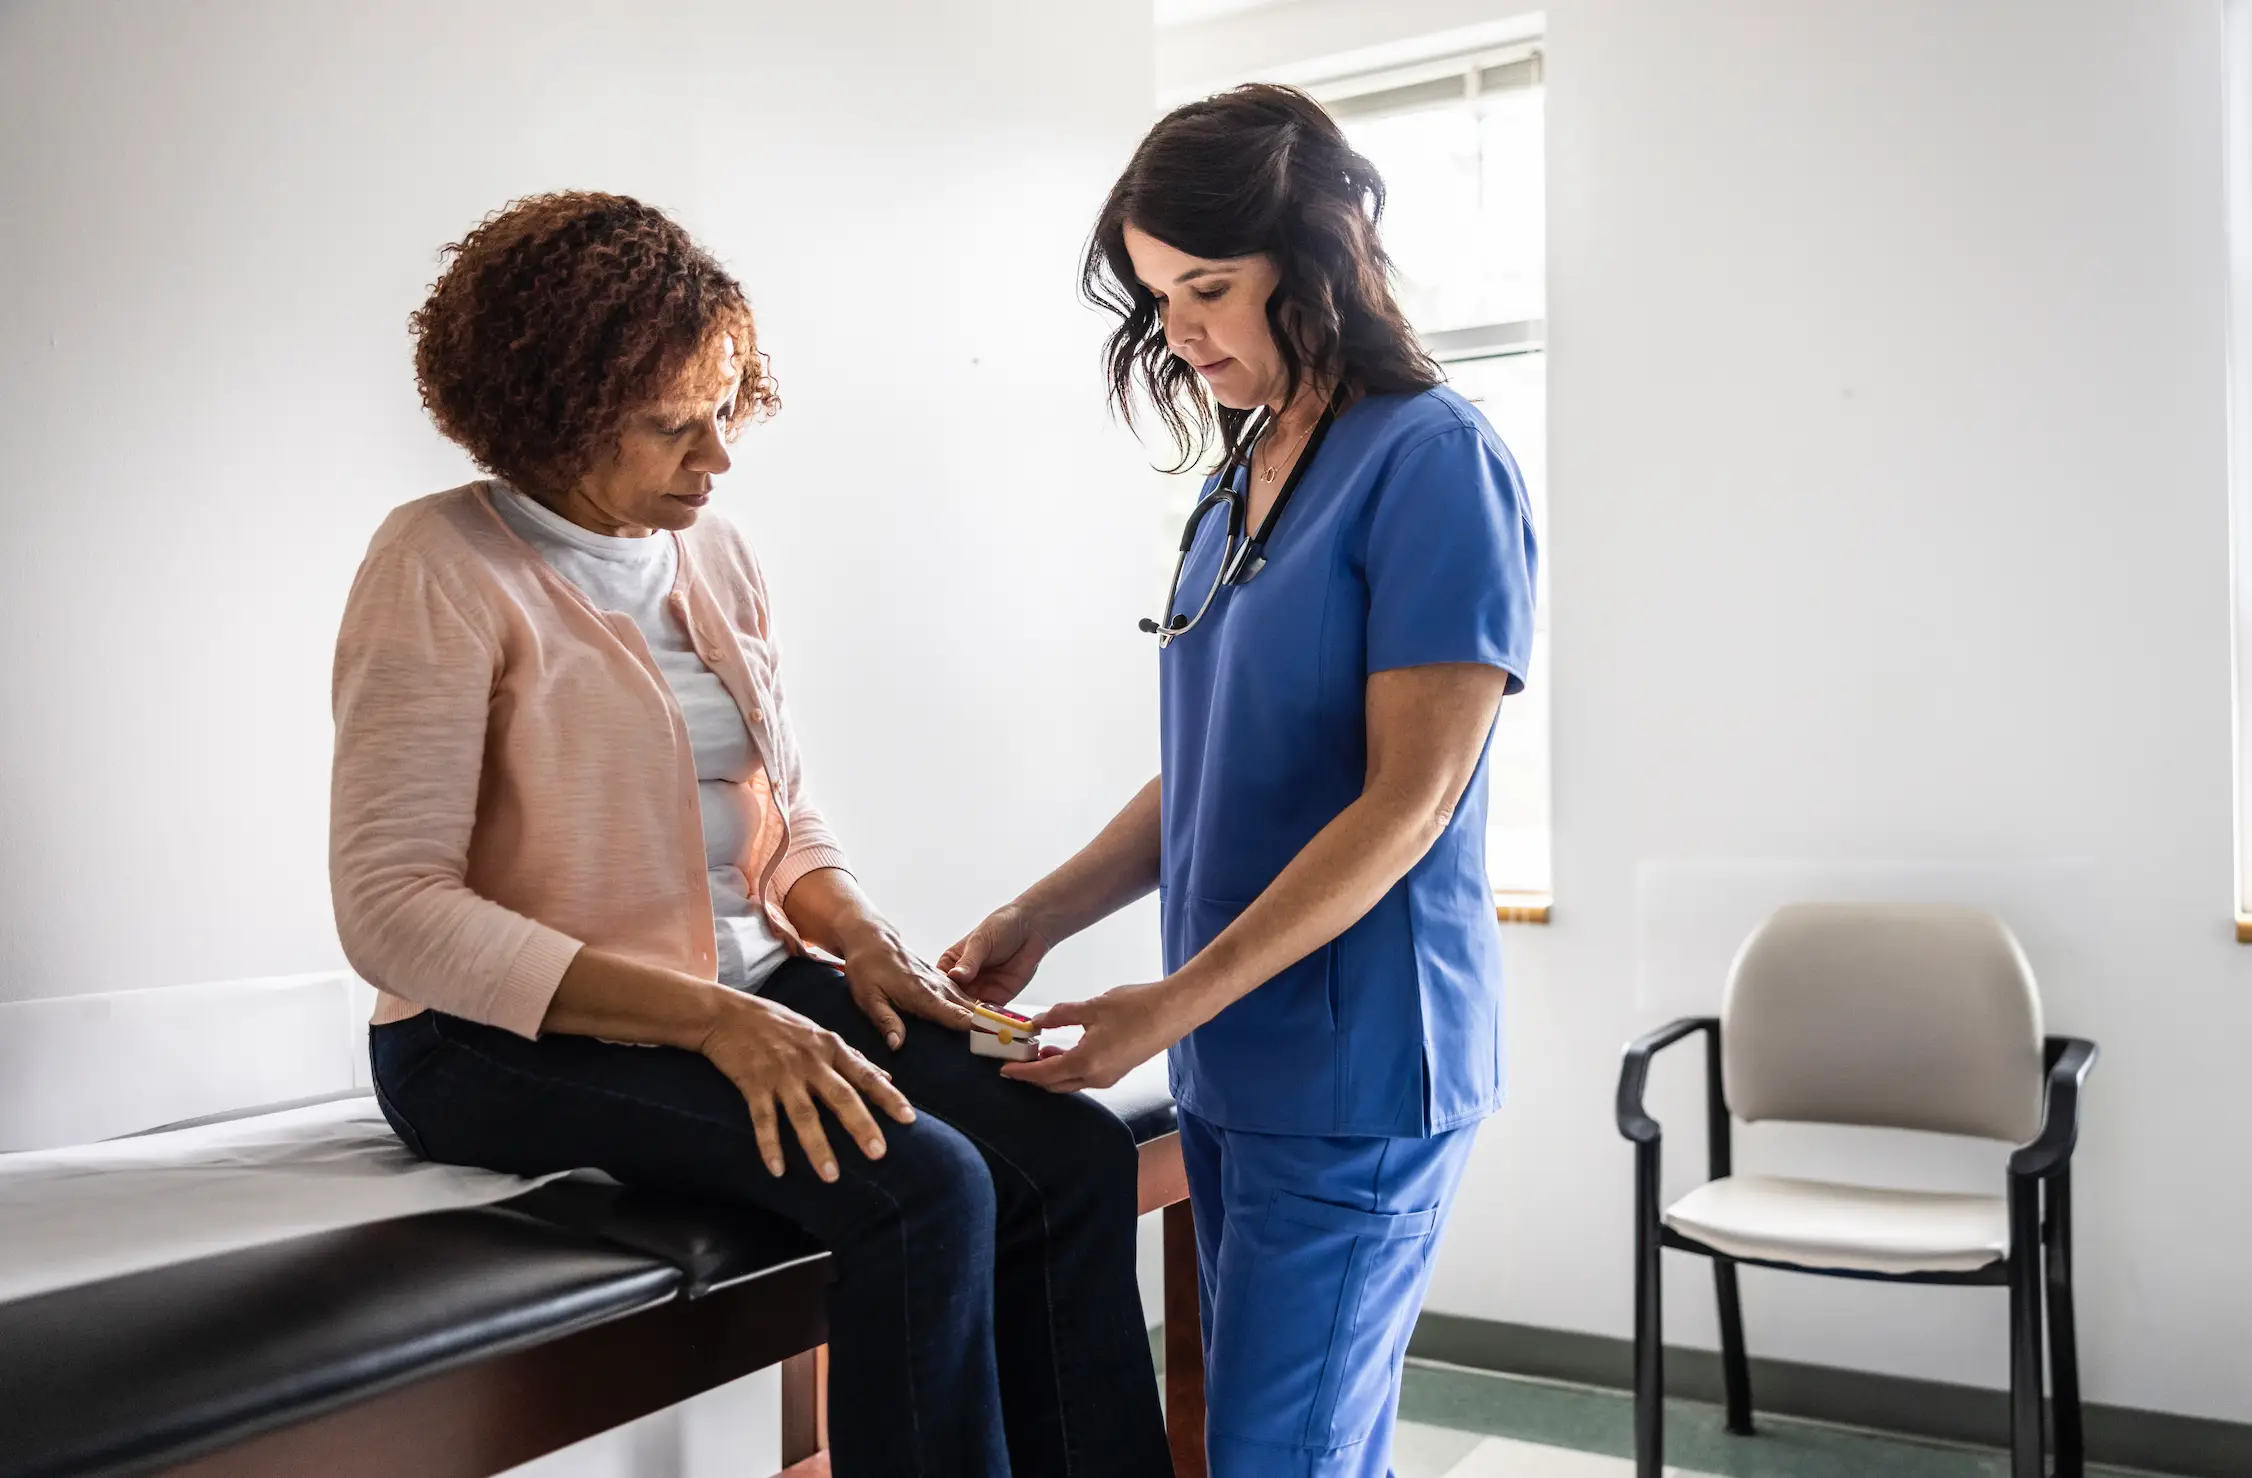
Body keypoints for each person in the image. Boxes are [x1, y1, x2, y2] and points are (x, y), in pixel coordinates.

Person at [332, 190, 1170, 1478]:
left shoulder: (713, 552)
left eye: (727, 408)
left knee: (1068, 1150)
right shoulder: (440, 563)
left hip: (750, 991)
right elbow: (393, 907)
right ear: (546, 416)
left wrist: (857, 935)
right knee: (927, 1186)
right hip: (492, 1043)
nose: (715, 456)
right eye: (672, 425)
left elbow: (776, 817)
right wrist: (721, 1020)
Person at [942, 87, 1539, 1478]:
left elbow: (1410, 803)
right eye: (1159, 297)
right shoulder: (1240, 481)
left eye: (1208, 287)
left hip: (1359, 1066)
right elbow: (1209, 773)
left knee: (1283, 1453)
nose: (1182, 331)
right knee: (1302, 1443)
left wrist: (1162, 1006)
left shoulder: (1434, 462)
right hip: (1238, 1059)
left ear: (1321, 250)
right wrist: (1045, 913)